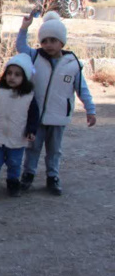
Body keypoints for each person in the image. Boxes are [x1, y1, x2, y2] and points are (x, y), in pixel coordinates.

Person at [16, 11, 96, 195]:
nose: (48, 45)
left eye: (53, 40)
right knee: (33, 148)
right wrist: (24, 28)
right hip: (37, 118)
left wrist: (90, 109)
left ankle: (53, 176)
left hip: (59, 116)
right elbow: (21, 47)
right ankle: (28, 175)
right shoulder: (35, 56)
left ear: (62, 41)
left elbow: (81, 89)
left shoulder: (73, 63)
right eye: (44, 41)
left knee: (54, 150)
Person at [0, 54, 40, 197]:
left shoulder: (29, 96)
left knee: (15, 163)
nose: (12, 77)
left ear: (25, 77)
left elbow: (34, 116)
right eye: (9, 73)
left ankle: (13, 184)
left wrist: (31, 130)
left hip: (17, 137)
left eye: (17, 74)